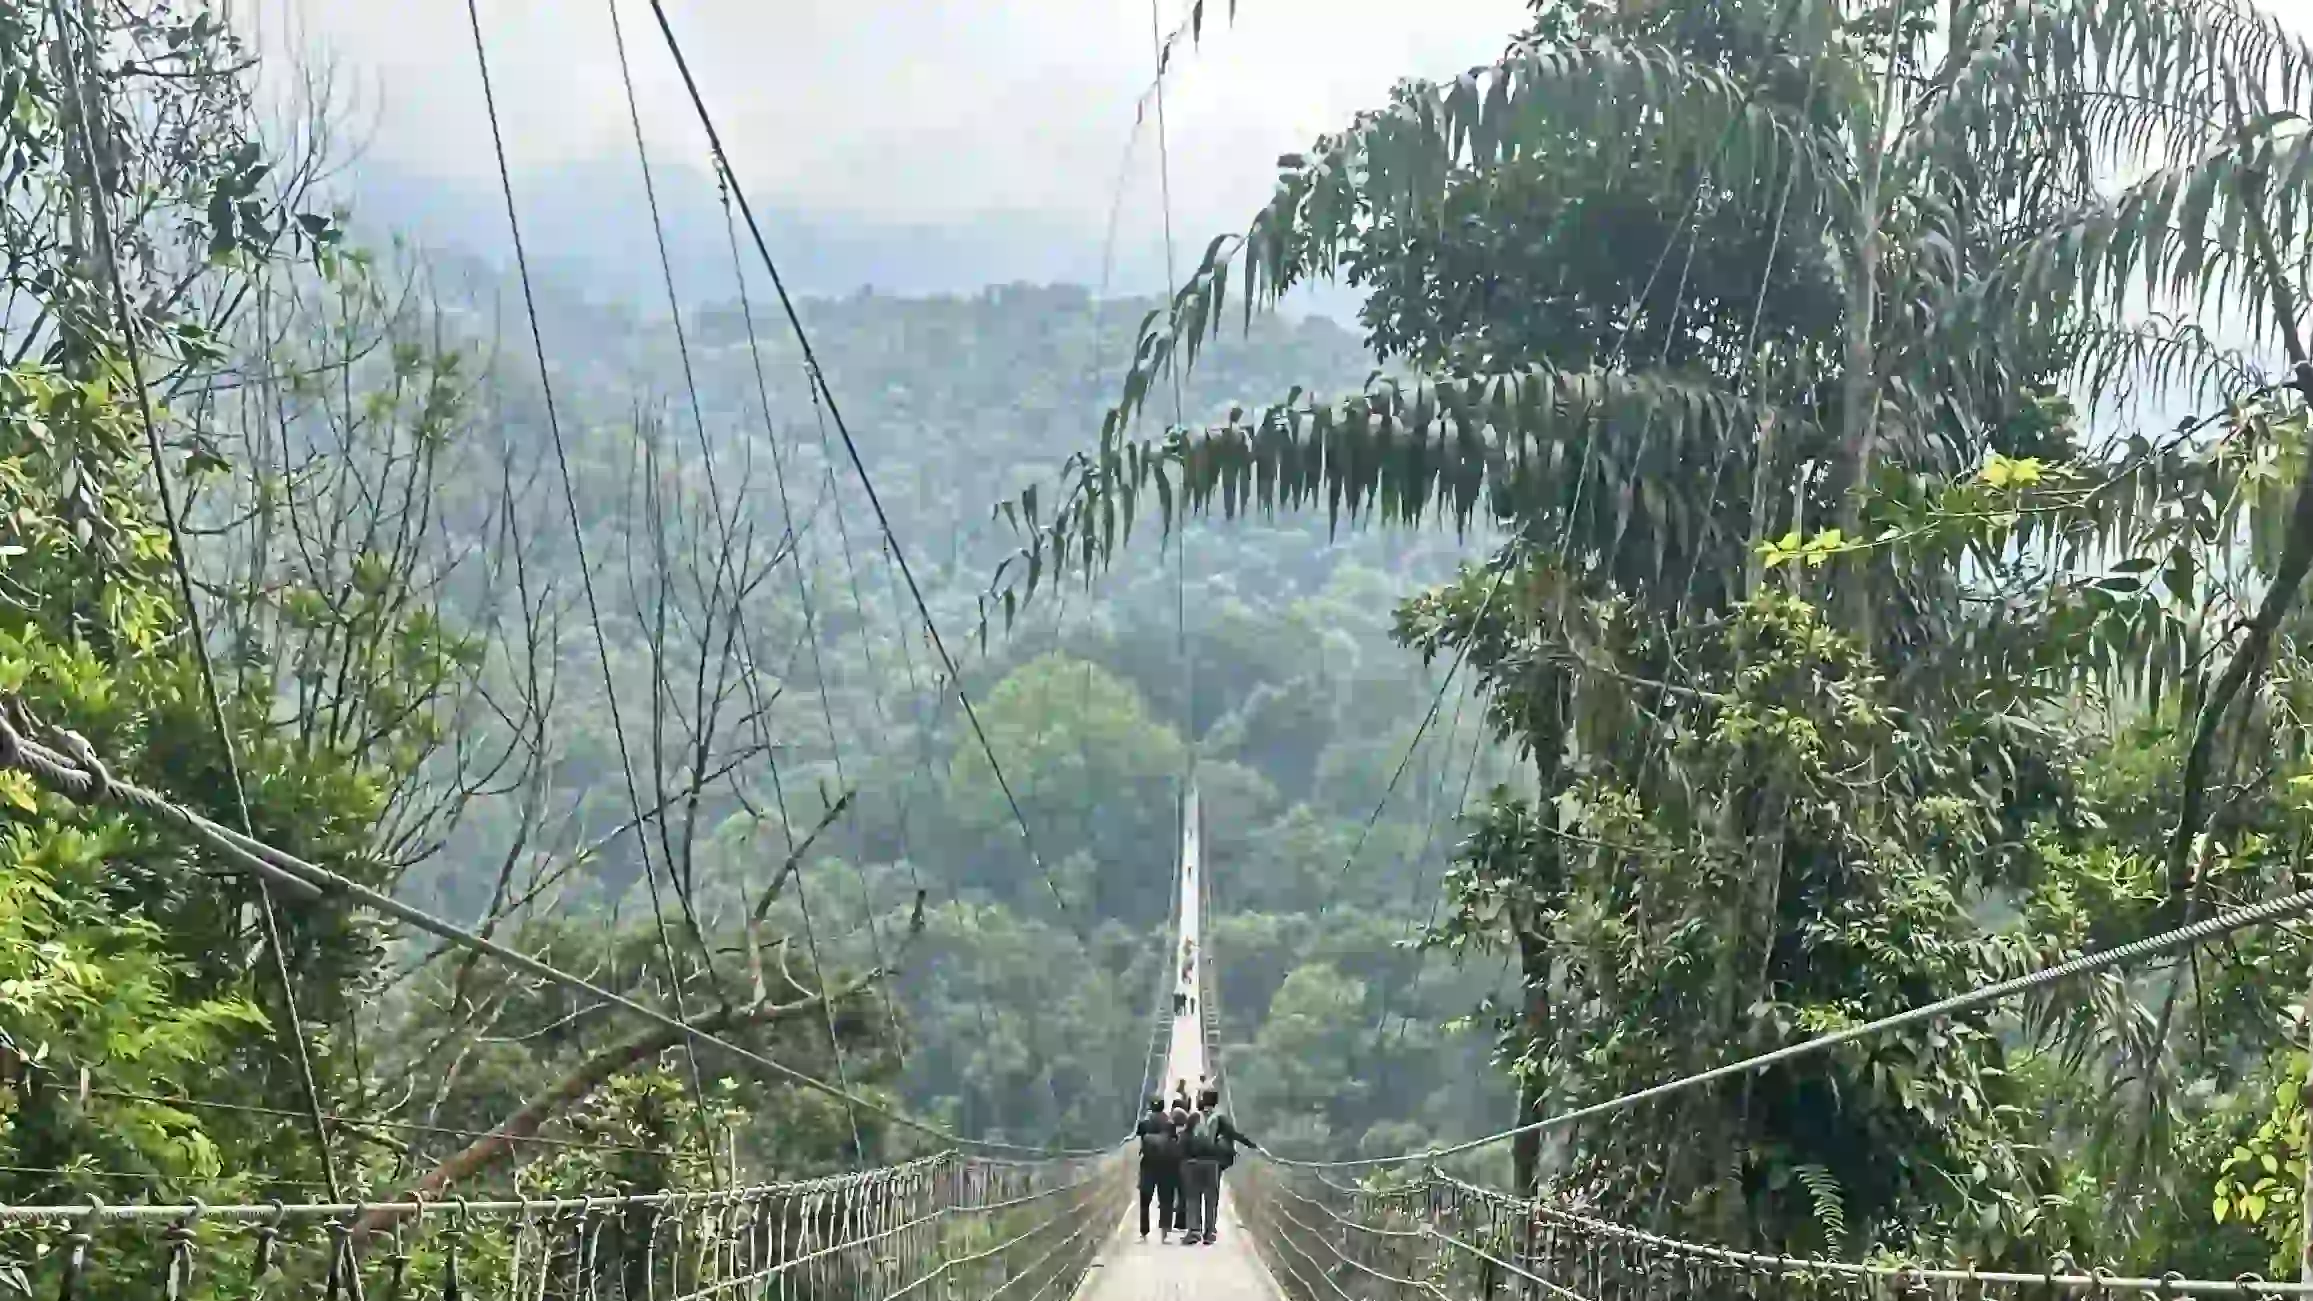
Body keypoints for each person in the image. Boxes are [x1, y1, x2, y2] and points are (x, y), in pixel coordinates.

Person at [1182, 1086, 1259, 1246]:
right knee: (1211, 1198)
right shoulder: (1220, 1118)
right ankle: (1209, 1233)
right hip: (1212, 1163)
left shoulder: (1193, 1117)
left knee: (1193, 1198)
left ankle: (1194, 1231)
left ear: (1200, 1101)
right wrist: (1253, 1145)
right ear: (1215, 1101)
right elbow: (1234, 1134)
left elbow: (1183, 1139)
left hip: (1193, 1163)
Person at [1135, 1096, 1180, 1242]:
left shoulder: (1144, 1123)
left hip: (1148, 1164)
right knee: (1166, 1200)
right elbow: (1174, 1140)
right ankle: (1164, 1234)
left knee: (1145, 1200)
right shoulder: (1170, 1123)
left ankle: (1143, 1233)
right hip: (1167, 1166)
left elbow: (1139, 1136)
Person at [1167, 1102, 1194, 1235]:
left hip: (1171, 1166)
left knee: (1169, 1194)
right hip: (1186, 1166)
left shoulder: (1169, 1132)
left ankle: (1167, 1222)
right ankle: (1181, 1222)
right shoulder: (1188, 1133)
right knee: (1184, 1195)